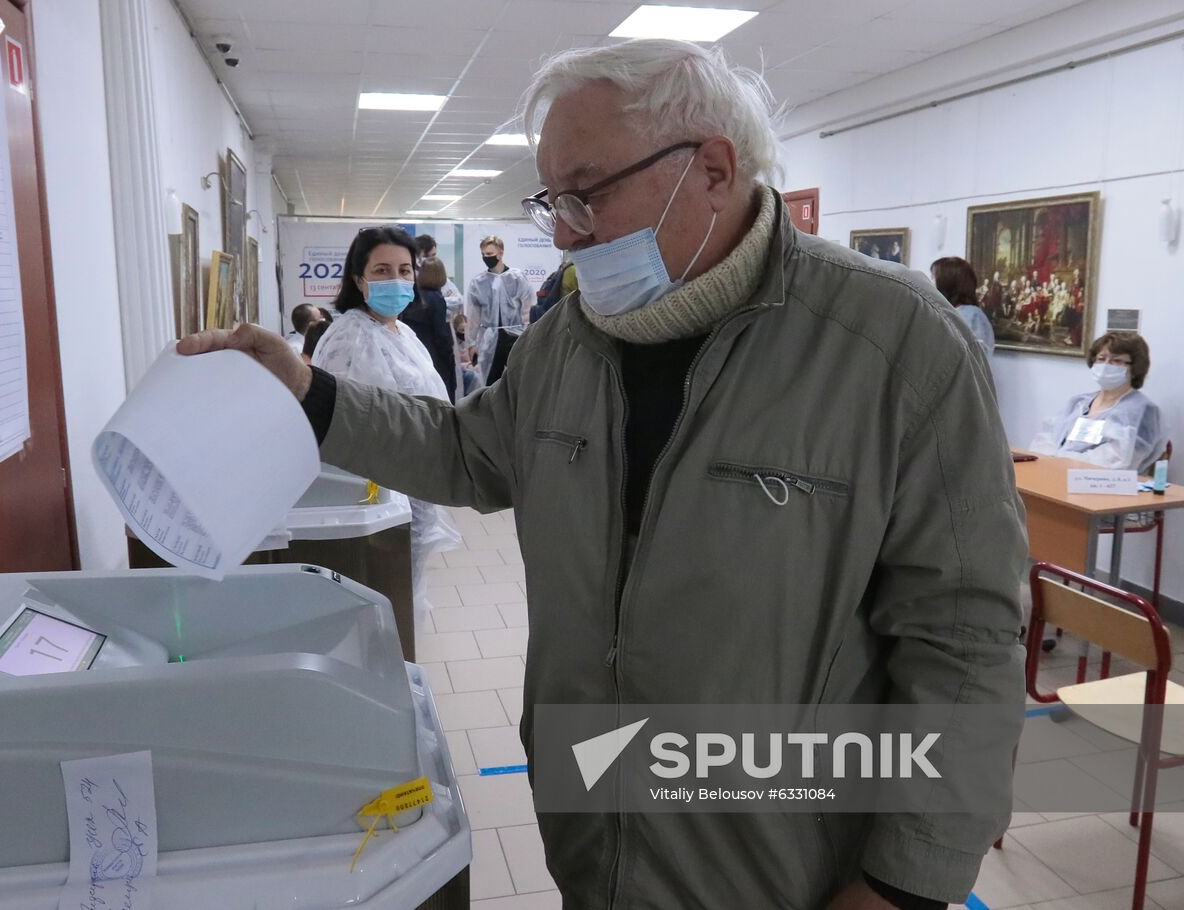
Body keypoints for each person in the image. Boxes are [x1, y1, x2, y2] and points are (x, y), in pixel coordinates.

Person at [181, 38, 1025, 910]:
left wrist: (904, 884)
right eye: (552, 199)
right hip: (595, 834)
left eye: (587, 193)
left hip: (785, 861)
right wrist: (309, 391)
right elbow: (467, 452)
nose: (562, 231)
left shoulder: (893, 345)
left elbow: (963, 631)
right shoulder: (568, 340)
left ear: (713, 169)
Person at [307, 227, 462, 612]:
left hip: (416, 481)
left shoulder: (402, 331)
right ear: (359, 280)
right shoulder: (348, 337)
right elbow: (337, 426)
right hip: (377, 494)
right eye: (381, 271)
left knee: (406, 589)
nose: (396, 280)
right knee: (381, 595)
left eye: (404, 270)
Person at [1029, 331, 1166, 473]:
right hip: (1055, 474)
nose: (1106, 365)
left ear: (1135, 367)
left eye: (1116, 361)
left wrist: (1060, 459)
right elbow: (1044, 441)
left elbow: (1117, 462)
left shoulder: (1143, 411)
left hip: (1101, 483)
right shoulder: (1078, 403)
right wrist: (1056, 460)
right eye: (1101, 358)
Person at [466, 234, 533, 384]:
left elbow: (527, 309)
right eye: (483, 254)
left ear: (500, 253)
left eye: (489, 254)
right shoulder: (478, 283)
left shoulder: (517, 278)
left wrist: (527, 334)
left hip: (515, 337)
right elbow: (473, 316)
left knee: (519, 380)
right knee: (490, 381)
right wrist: (471, 343)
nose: (486, 258)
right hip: (489, 339)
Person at [402, 256, 457, 401]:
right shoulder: (437, 300)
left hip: (413, 354)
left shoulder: (412, 296)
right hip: (435, 358)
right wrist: (449, 356)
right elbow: (441, 335)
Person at [931, 256, 994, 360]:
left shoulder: (973, 316)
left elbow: (975, 361)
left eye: (933, 278)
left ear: (948, 282)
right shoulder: (942, 312)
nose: (930, 282)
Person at [414, 233, 463, 312]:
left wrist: (437, 301)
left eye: (434, 255)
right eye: (426, 256)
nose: (432, 260)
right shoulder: (408, 276)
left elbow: (459, 300)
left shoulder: (437, 275)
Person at [452, 311, 481, 397]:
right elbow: (455, 364)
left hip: (470, 369)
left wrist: (474, 365)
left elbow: (475, 361)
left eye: (466, 330)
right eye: (461, 330)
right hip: (460, 372)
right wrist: (467, 366)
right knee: (471, 376)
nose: (464, 333)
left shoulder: (470, 342)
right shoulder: (453, 344)